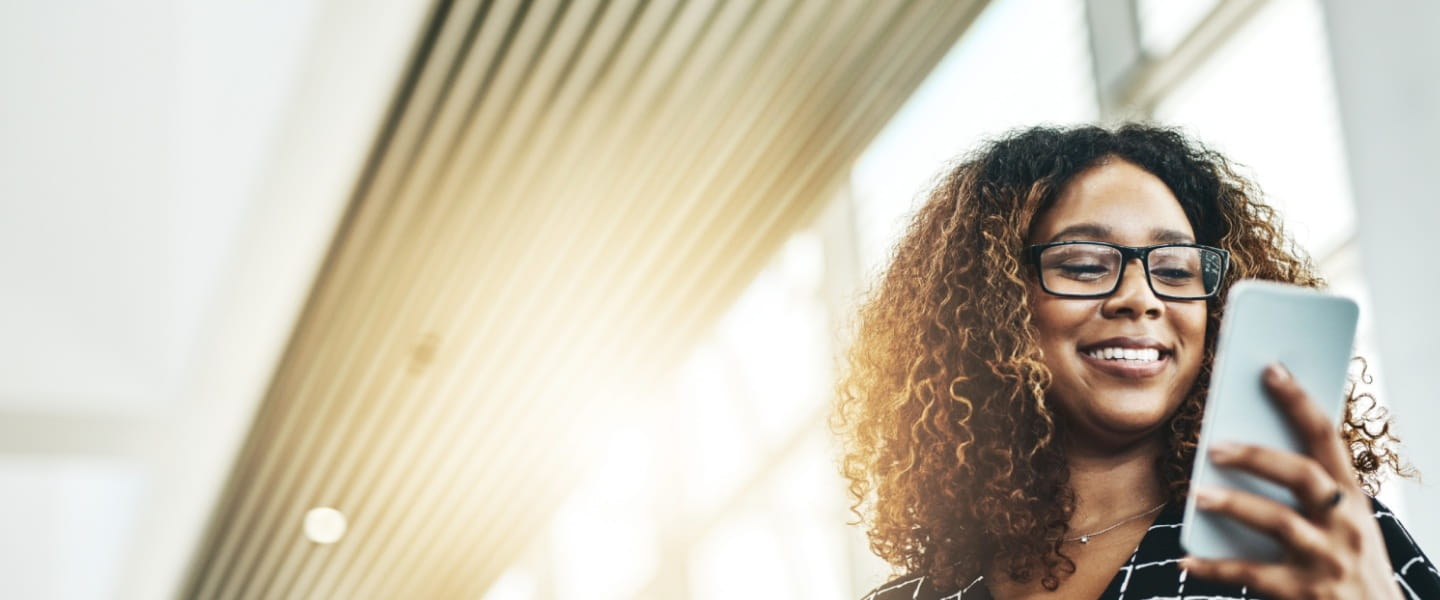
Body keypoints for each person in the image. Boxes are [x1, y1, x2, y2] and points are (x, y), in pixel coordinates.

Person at [834, 124, 1439, 599]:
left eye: (1175, 271)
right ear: (991, 303)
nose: (1140, 298)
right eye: (1083, 265)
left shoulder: (1314, 545)